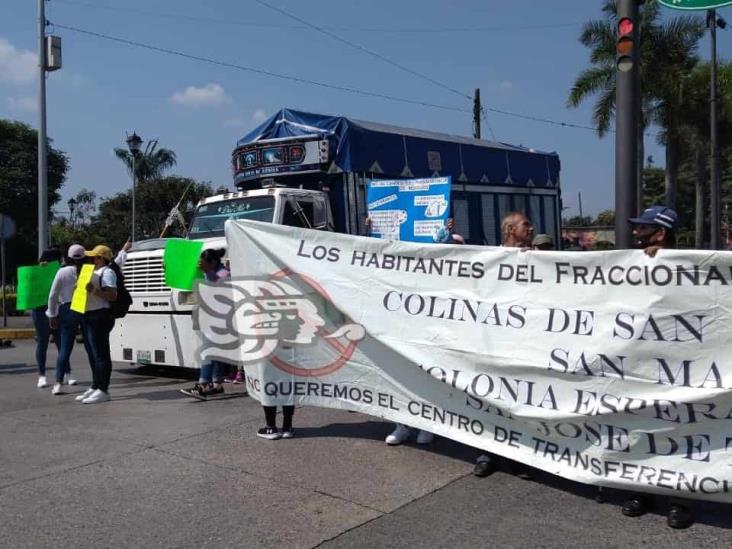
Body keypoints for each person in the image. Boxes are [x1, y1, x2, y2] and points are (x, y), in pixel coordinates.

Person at [623, 205, 693, 529]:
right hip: (642, 363)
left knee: (678, 429)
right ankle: (642, 490)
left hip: (679, 366)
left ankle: (679, 498)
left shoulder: (692, 266)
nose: (636, 234)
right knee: (641, 425)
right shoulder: (635, 263)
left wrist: (663, 262)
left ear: (660, 234)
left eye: (643, 229)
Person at [474, 211, 535, 479]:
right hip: (494, 343)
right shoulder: (490, 258)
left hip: (523, 343)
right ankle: (488, 453)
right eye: (526, 225)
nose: (531, 229)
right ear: (510, 229)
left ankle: (520, 456)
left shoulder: (539, 258)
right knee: (490, 400)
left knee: (520, 400)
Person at [181, 249, 232, 400]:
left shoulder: (223, 274)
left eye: (203, 263)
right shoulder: (209, 273)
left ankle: (203, 385)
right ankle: (217, 384)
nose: (200, 265)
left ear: (213, 262)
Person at [47, 245, 93, 395]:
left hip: (67, 309)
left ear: (68, 256)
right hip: (85, 309)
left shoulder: (63, 271)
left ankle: (58, 383)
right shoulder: (88, 270)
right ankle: (96, 383)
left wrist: (52, 314)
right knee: (91, 348)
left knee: (65, 349)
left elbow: (53, 295)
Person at [79, 245, 118, 404]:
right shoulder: (94, 272)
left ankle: (103, 389)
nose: (90, 260)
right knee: (94, 353)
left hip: (100, 315)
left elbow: (112, 295)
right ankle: (96, 386)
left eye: (93, 257)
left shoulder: (108, 273)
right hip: (90, 314)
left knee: (101, 355)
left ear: (101, 259)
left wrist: (93, 291)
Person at [33, 247, 70, 388]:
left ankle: (67, 372)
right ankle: (41, 375)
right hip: (40, 309)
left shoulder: (61, 270)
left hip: (57, 308)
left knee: (62, 342)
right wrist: (40, 268)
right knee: (42, 342)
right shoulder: (38, 271)